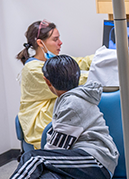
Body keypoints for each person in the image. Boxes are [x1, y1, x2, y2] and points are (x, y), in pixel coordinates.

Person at [17, 20, 93, 149]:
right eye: (55, 39)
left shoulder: (52, 61)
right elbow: (71, 78)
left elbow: (80, 63)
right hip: (41, 122)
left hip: (55, 117)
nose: (60, 43)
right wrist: (105, 73)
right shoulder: (32, 69)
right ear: (40, 43)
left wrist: (106, 57)